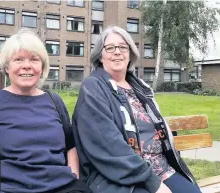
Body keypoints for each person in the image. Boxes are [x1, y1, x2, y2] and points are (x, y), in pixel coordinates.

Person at [0, 28, 91, 193]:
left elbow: (70, 147)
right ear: (7, 67)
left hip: (60, 187)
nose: (27, 66)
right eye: (18, 60)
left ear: (42, 66)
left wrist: (73, 176)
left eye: (34, 59)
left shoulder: (55, 101)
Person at [72, 26, 201, 193]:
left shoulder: (141, 87)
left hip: (161, 168)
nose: (117, 52)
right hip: (118, 177)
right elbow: (109, 146)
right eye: (110, 48)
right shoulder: (93, 88)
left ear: (130, 54)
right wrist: (153, 184)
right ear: (100, 56)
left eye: (123, 47)